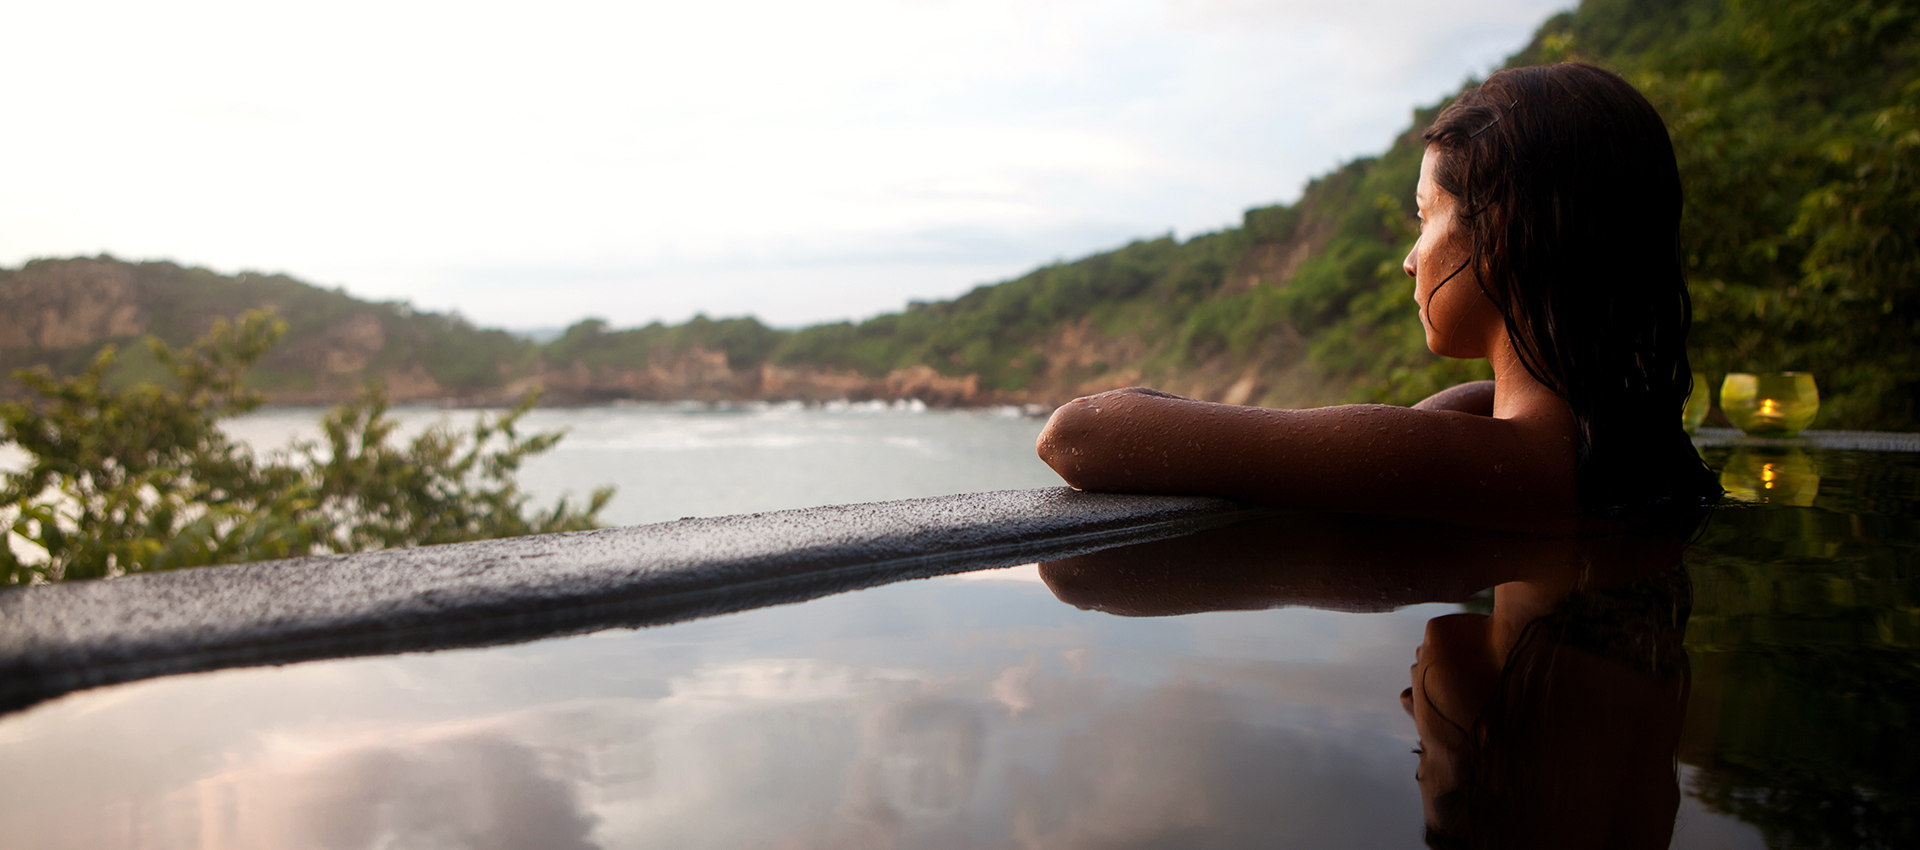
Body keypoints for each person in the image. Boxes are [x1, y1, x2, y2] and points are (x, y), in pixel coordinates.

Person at [1036, 63, 1718, 515]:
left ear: (1500, 231)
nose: (1410, 260)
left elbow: (1078, 436)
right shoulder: (1624, 443)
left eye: (1426, 219)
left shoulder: (1506, 463)